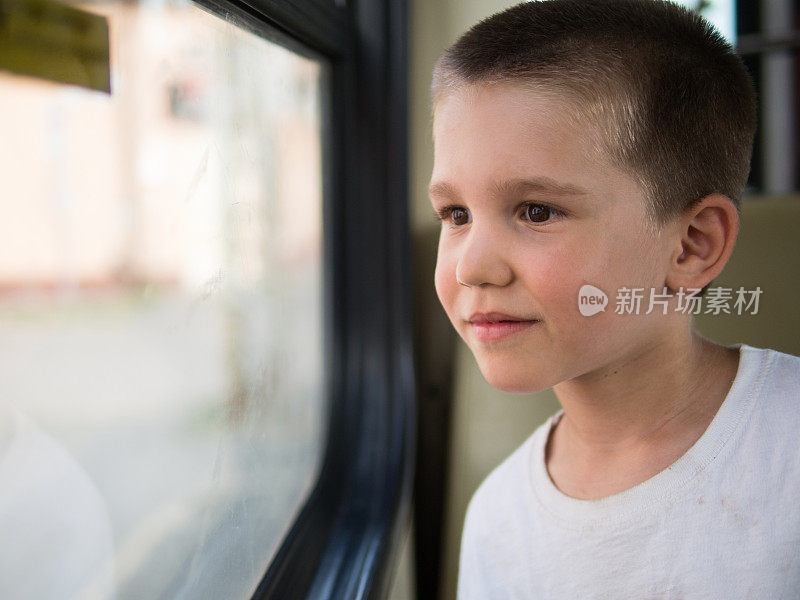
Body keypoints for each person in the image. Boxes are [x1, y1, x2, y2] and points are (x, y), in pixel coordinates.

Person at [427, 0, 800, 597]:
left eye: (537, 211)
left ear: (691, 247)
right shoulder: (497, 521)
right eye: (456, 214)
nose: (472, 266)